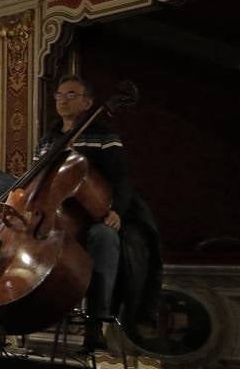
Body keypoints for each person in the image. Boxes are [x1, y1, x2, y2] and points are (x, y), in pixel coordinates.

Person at [32, 75, 161, 351]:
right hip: (56, 215)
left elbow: (121, 177)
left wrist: (117, 211)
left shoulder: (104, 136)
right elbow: (38, 181)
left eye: (71, 94)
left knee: (103, 236)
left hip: (93, 213)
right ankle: (18, 314)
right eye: (59, 95)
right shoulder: (48, 140)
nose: (63, 100)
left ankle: (96, 321)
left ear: (88, 103)